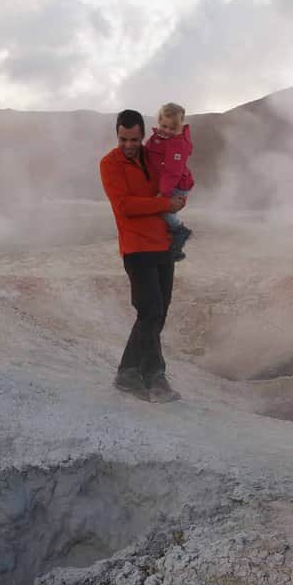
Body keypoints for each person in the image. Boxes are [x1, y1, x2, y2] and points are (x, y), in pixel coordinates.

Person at [99, 109, 186, 402]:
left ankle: (127, 371)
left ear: (142, 134)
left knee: (158, 312)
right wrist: (162, 202)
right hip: (136, 248)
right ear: (117, 135)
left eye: (134, 139)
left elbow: (176, 176)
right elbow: (125, 206)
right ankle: (155, 375)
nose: (129, 145)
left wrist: (178, 199)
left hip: (162, 244)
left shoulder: (151, 156)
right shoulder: (110, 164)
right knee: (149, 310)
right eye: (123, 139)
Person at [145, 102, 194, 260]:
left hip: (176, 185)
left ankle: (180, 231)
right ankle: (174, 246)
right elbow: (149, 152)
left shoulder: (177, 145)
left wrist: (164, 194)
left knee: (164, 209)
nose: (167, 131)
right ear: (159, 121)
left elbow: (172, 171)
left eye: (172, 129)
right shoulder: (157, 138)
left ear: (180, 127)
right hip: (166, 182)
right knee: (159, 213)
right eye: (164, 126)